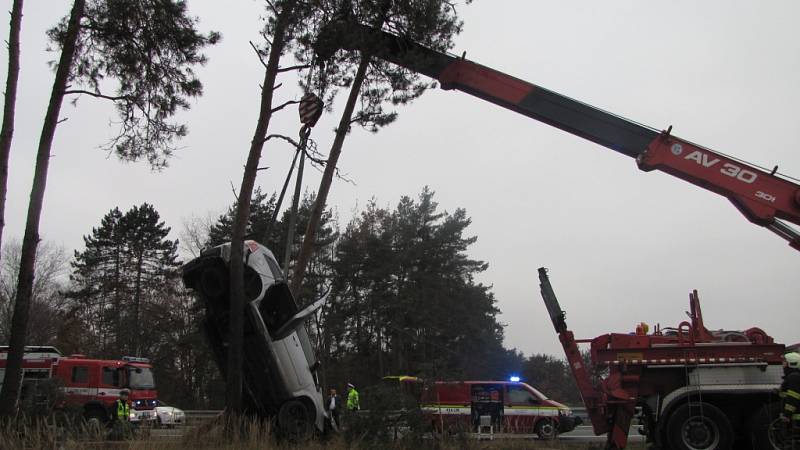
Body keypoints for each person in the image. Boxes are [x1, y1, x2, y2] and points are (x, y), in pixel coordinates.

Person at [781, 352, 800, 448]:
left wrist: (787, 415)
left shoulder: (794, 377)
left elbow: (793, 397)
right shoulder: (794, 376)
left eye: (784, 362)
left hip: (797, 418)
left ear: (791, 363)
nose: (782, 365)